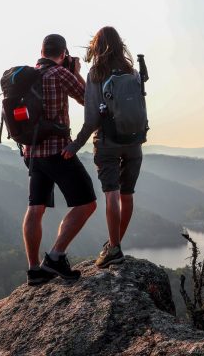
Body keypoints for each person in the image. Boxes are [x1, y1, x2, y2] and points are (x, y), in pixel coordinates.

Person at [62, 26, 145, 268]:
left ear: (97, 46)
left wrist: (74, 145)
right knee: (127, 195)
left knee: (112, 194)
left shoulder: (97, 73)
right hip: (134, 142)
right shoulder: (133, 72)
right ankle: (115, 244)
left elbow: (91, 120)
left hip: (108, 143)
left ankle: (114, 248)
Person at [22, 34, 97, 286]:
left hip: (32, 153)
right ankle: (55, 256)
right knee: (87, 203)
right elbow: (89, 100)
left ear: (41, 50)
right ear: (63, 53)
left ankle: (34, 270)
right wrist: (75, 72)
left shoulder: (26, 76)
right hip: (58, 151)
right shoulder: (59, 74)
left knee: (35, 209)